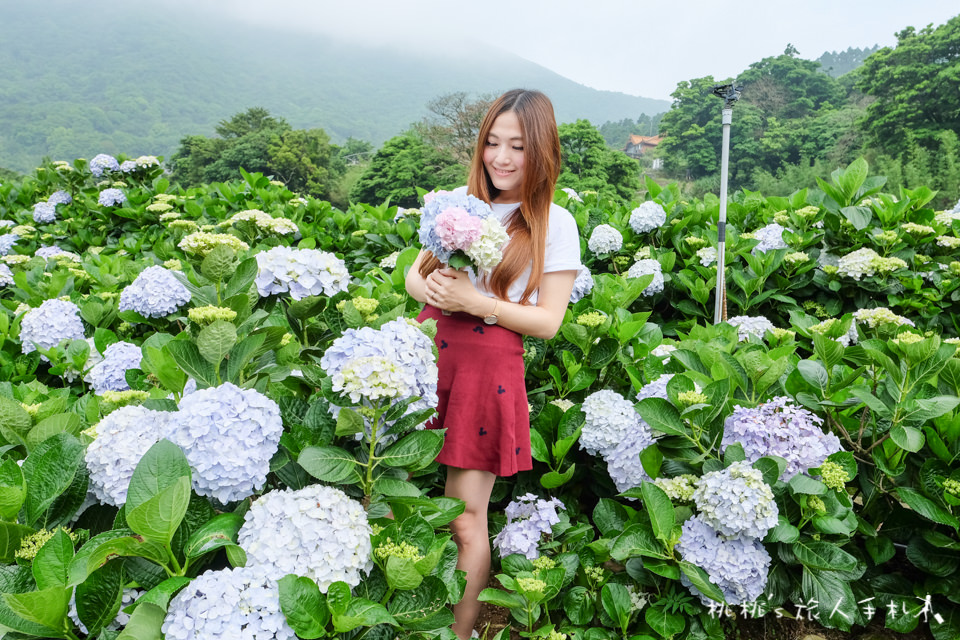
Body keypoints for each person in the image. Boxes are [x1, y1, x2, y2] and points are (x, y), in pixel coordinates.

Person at [405, 89, 581, 639]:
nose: (501, 158)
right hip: (426, 352)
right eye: (492, 143)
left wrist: (481, 305)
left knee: (463, 518)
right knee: (392, 495)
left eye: (518, 147)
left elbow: (549, 322)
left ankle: (456, 633)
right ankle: (403, 618)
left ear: (543, 152)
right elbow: (413, 276)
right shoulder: (459, 202)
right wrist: (429, 283)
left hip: (487, 368)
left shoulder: (555, 224)